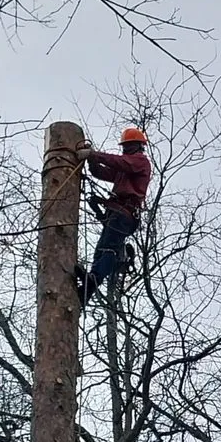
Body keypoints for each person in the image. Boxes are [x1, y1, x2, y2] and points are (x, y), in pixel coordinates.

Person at [75, 127, 151, 308]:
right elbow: (100, 173)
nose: (126, 149)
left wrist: (94, 154)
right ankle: (86, 290)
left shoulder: (140, 162)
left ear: (139, 146)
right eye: (125, 147)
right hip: (116, 213)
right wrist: (91, 160)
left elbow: (120, 162)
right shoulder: (125, 169)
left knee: (108, 249)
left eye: (129, 146)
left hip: (124, 214)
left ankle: (93, 280)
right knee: (100, 251)